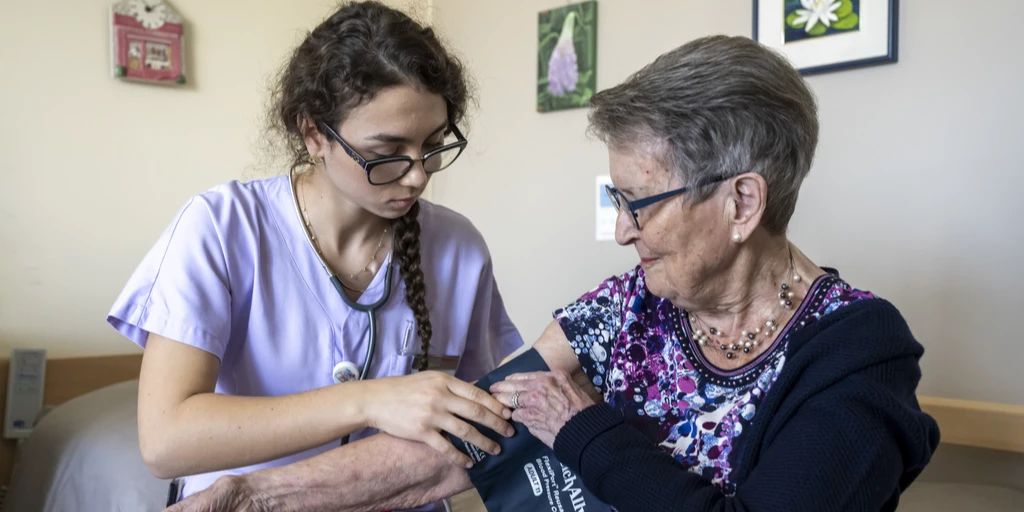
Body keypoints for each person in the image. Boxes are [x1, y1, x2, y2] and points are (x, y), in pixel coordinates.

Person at [168, 36, 940, 512]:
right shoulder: (626, 308)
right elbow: (462, 444)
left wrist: (583, 428)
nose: (623, 232)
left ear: (742, 201)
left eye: (639, 203)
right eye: (617, 201)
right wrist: (250, 496)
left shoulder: (857, 353)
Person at [107, 1, 522, 504]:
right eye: (386, 152)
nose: (417, 176)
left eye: (432, 145)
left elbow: (479, 419)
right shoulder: (221, 228)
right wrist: (367, 401)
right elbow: (166, 442)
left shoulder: (459, 250)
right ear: (313, 135)